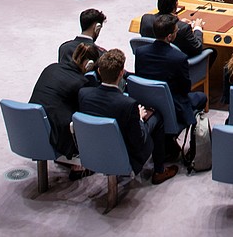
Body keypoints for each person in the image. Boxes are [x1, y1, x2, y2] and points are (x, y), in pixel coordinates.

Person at [78, 49, 178, 185]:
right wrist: (141, 119)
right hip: (126, 155)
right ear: (121, 73)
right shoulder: (128, 104)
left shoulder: (84, 94)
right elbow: (139, 140)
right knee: (157, 116)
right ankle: (159, 171)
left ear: (99, 72)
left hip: (93, 151)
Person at [134, 14, 208, 128]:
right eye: (176, 30)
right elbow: (185, 89)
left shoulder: (140, 52)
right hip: (173, 104)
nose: (177, 31)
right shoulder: (179, 58)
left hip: (147, 101)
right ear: (169, 37)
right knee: (202, 97)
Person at [29, 42, 100, 159]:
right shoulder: (81, 83)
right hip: (54, 136)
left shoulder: (51, 67)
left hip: (29, 127)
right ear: (89, 64)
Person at [138, 0, 208, 60]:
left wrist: (178, 22)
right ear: (176, 4)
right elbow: (197, 48)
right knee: (213, 51)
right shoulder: (183, 28)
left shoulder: (146, 19)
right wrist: (197, 28)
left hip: (151, 60)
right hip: (178, 65)